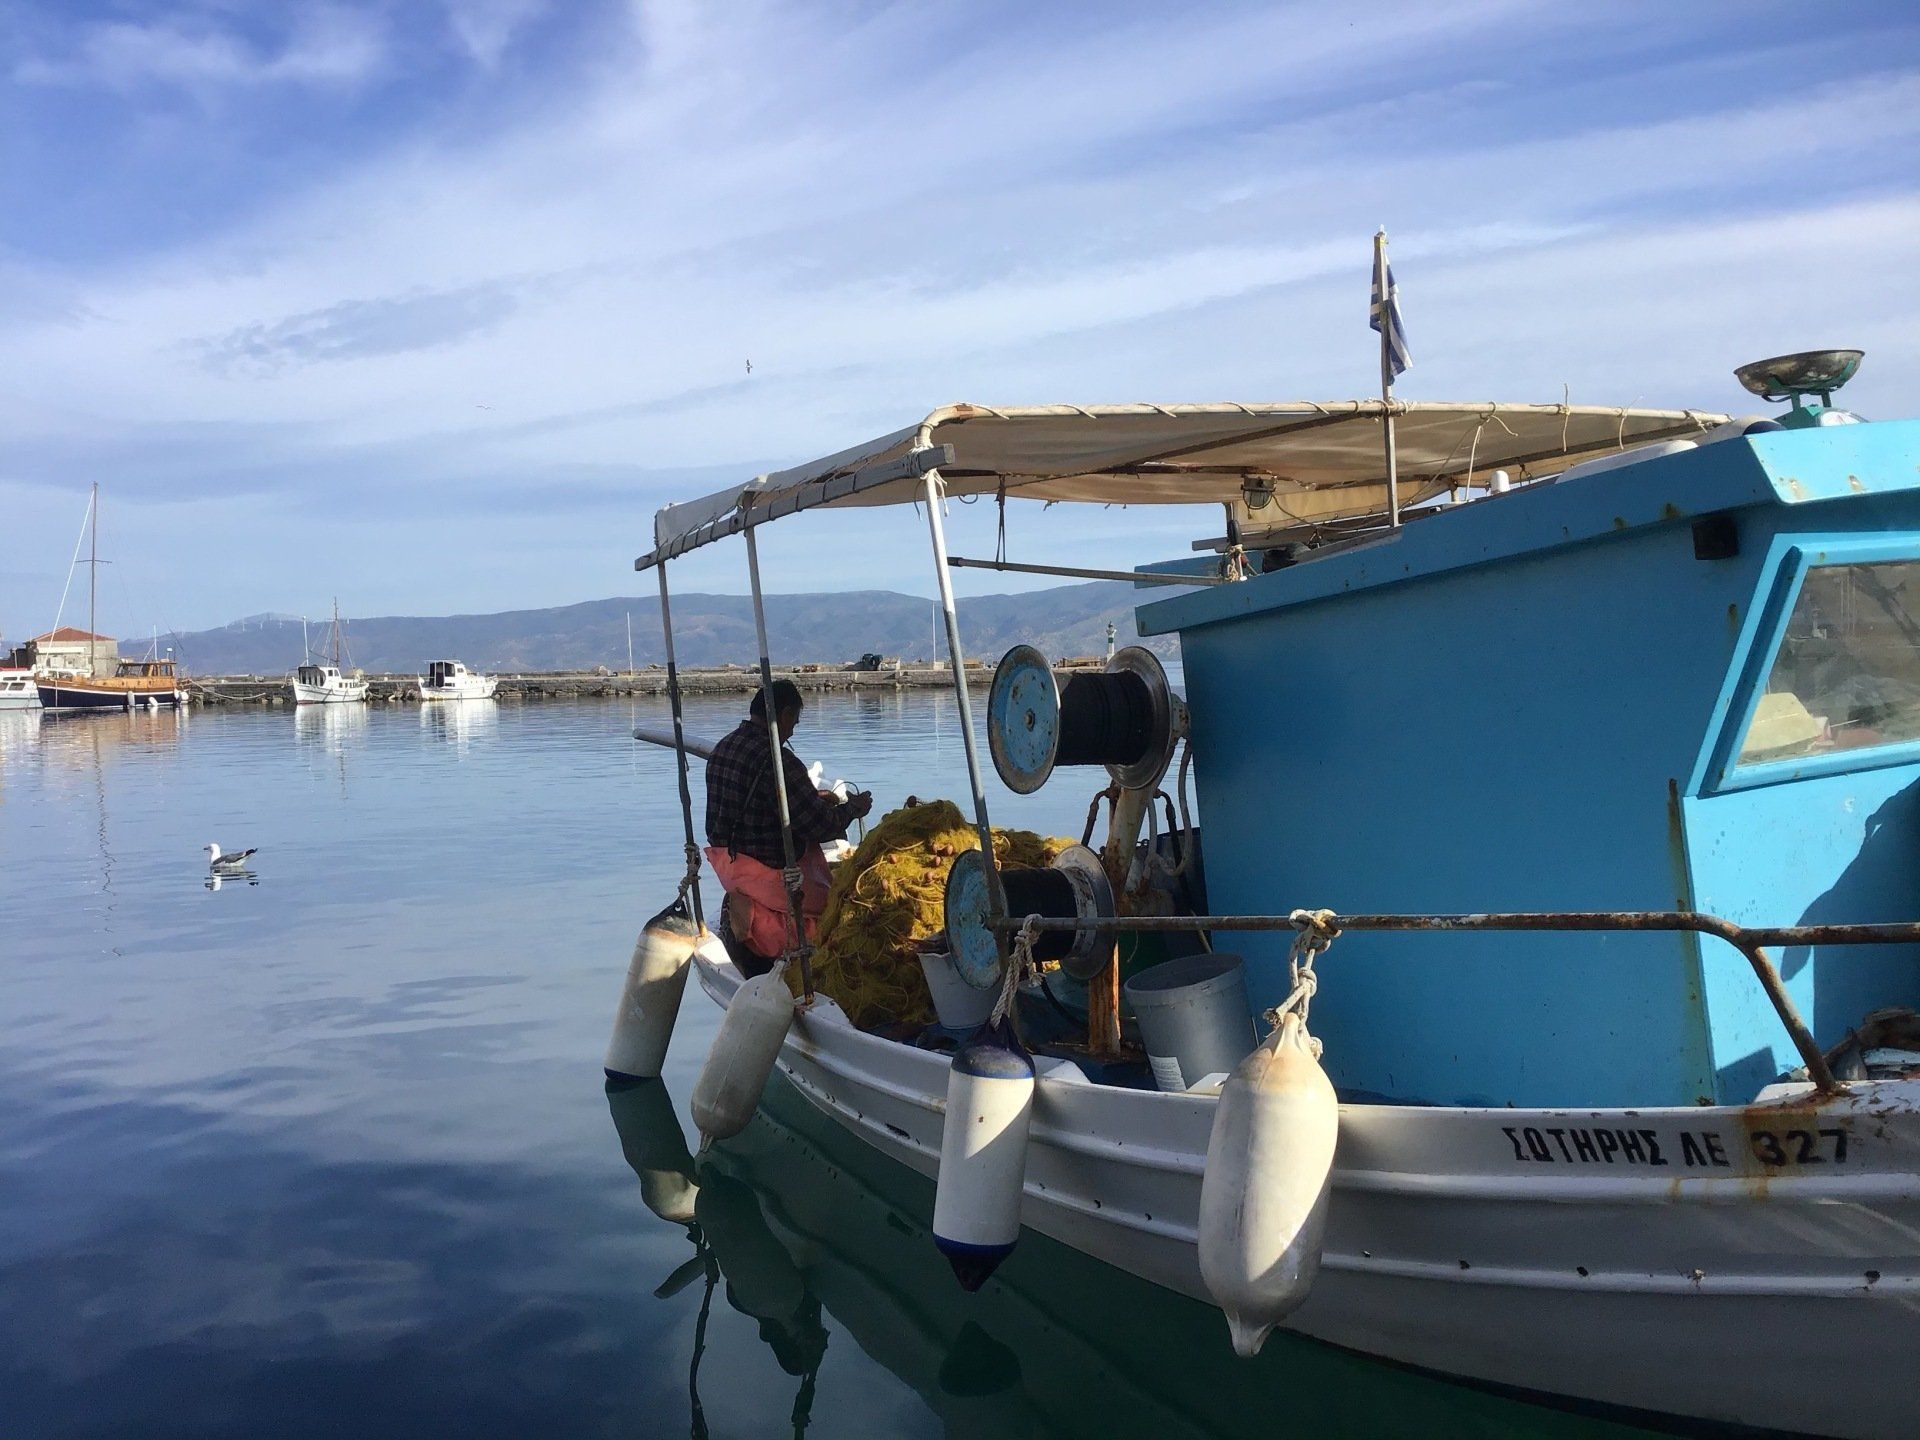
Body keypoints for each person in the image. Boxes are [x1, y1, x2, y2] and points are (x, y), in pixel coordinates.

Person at [705, 679, 873, 973]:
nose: (793, 730)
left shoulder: (723, 748)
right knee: (841, 913)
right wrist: (852, 809)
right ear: (783, 716)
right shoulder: (780, 763)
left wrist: (812, 797)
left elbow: (755, 803)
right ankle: (780, 942)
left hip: (732, 869)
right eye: (794, 721)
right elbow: (821, 825)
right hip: (771, 878)